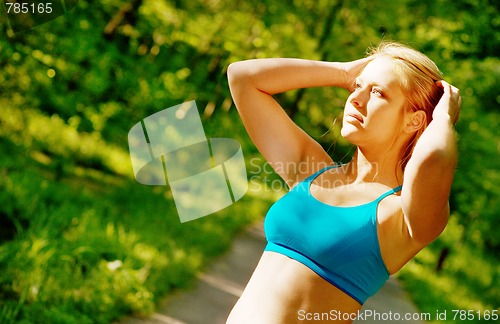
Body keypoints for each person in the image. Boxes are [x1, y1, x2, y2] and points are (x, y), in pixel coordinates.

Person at [225, 42, 460, 323]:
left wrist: (443, 117)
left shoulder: (403, 216)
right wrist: (343, 72)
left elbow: (435, 157)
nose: (356, 99)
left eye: (377, 92)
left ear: (415, 120)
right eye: (357, 87)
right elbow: (243, 78)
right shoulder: (311, 171)